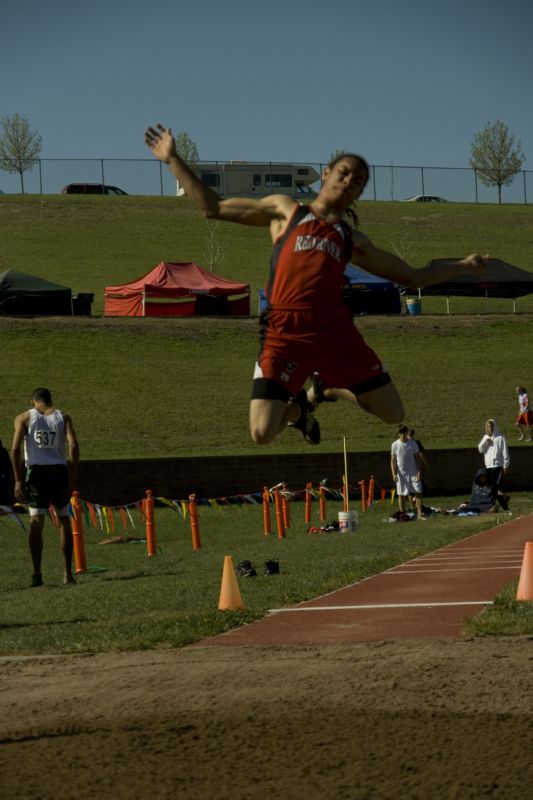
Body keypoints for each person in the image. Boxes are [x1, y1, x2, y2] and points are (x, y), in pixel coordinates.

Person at [145, 123, 488, 447]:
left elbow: (411, 277)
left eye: (358, 182)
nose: (349, 182)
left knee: (392, 413)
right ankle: (299, 410)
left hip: (334, 332)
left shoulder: (351, 238)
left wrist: (465, 266)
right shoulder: (286, 211)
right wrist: (173, 159)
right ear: (326, 174)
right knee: (262, 433)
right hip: (284, 333)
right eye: (344, 174)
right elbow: (214, 208)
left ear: (359, 193)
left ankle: (328, 389)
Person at [11, 388, 80, 587]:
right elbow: (73, 446)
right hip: (58, 472)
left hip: (37, 473)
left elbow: (15, 449)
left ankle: (37, 573)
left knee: (36, 521)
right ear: (50, 400)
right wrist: (73, 479)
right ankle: (68, 573)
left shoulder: (24, 418)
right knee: (64, 521)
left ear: (33, 401)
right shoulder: (63, 418)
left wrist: (17, 480)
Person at [391, 425, 427, 520]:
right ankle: (402, 515)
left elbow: (417, 458)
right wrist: (394, 474)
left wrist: (419, 471)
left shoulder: (413, 443)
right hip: (401, 474)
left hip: (414, 472)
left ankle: (419, 514)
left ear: (407, 432)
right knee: (401, 494)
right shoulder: (395, 445)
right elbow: (393, 461)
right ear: (399, 434)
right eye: (401, 433)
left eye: (404, 432)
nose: (403, 434)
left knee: (418, 492)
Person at [477, 418, 510, 510]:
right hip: (488, 466)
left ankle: (498, 505)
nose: (490, 428)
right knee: (493, 487)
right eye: (488, 426)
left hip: (497, 466)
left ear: (494, 427)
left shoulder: (501, 438)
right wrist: (486, 440)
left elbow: (505, 453)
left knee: (495, 486)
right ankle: (503, 503)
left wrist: (506, 465)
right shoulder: (485, 438)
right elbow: (480, 450)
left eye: (491, 426)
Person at [0, 437, 15, 505]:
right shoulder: (4, 450)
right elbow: (9, 465)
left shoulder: (3, 451)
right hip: (5, 476)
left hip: (4, 476)